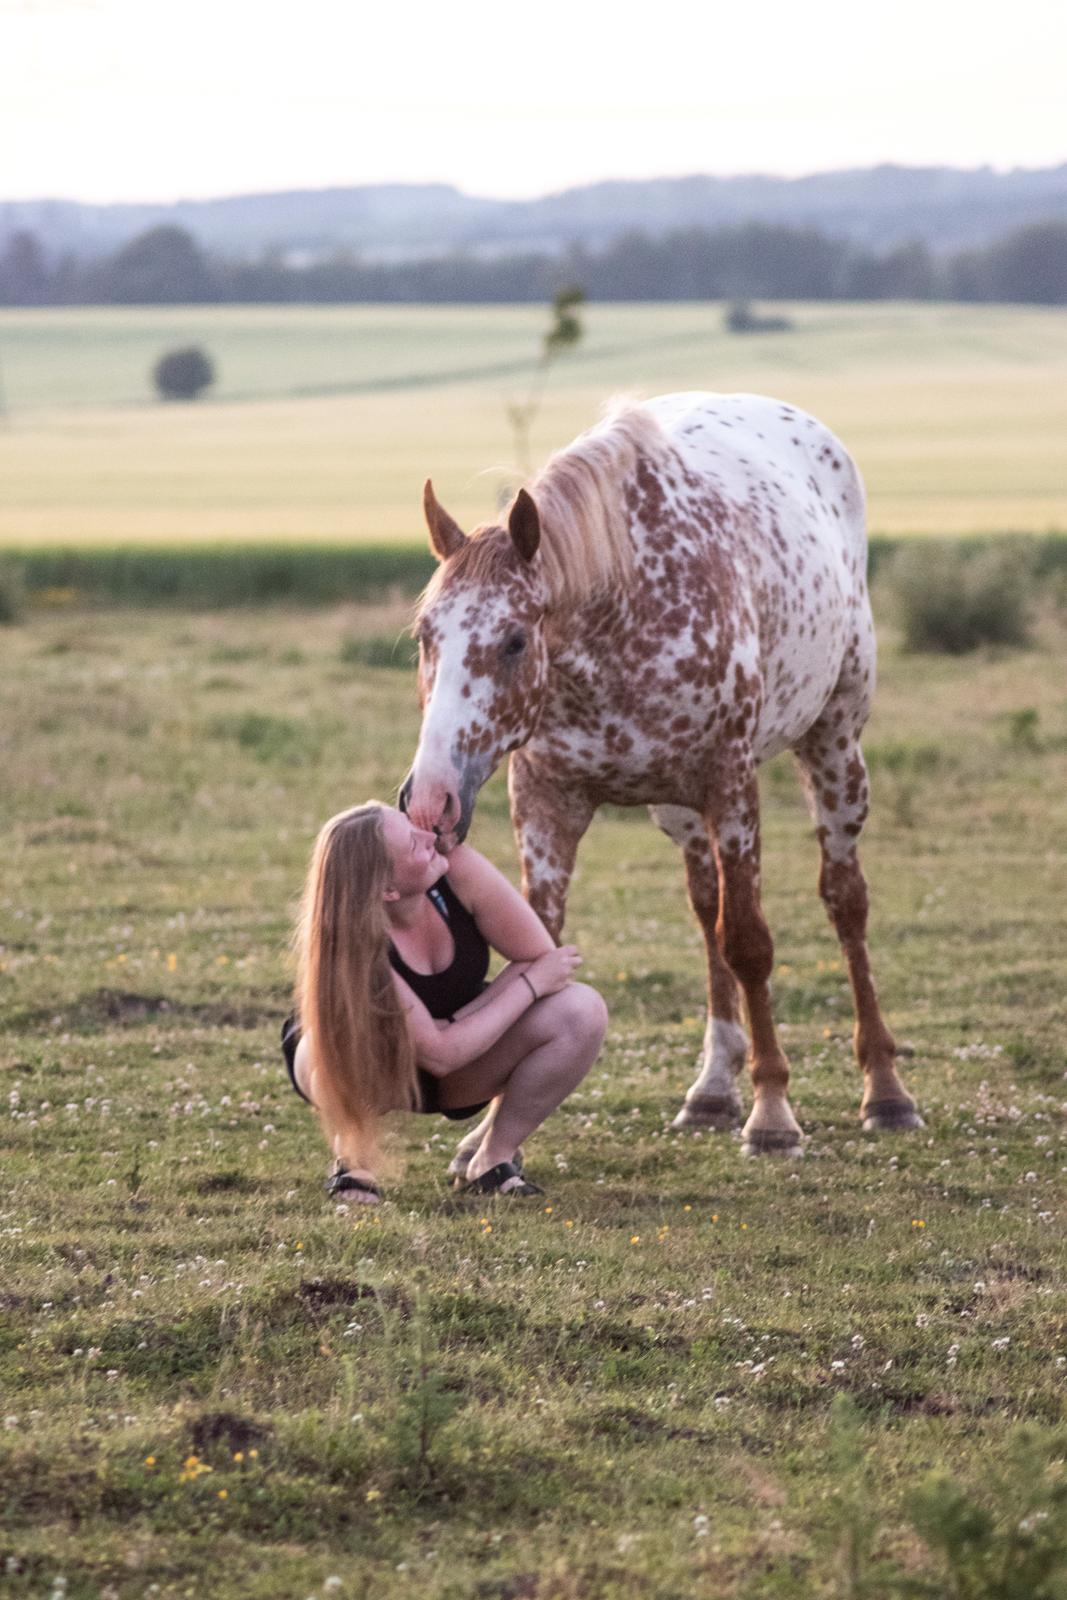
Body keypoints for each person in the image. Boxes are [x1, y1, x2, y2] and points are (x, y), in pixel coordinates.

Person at [282, 801, 607, 1204]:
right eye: (413, 843)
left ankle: (491, 1158)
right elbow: (440, 1055)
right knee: (329, 1039)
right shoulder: (354, 943)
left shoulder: (458, 870)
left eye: (412, 825)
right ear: (388, 889)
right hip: (373, 1068)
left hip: (461, 1057)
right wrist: (528, 987)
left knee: (580, 1009)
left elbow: (539, 956)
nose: (430, 837)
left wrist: (460, 1024)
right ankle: (354, 1160)